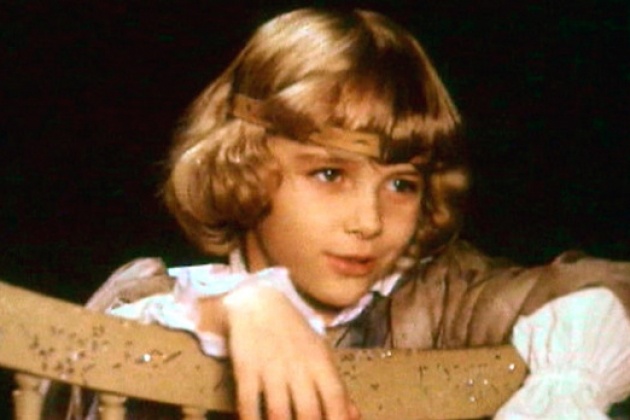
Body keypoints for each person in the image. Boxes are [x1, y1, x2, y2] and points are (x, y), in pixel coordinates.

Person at [57, 8, 630, 419]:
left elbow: (604, 290)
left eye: (401, 184)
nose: (369, 222)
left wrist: (567, 384)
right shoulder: (157, 298)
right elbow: (90, 356)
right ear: (244, 164)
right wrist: (236, 307)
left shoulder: (436, 300)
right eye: (330, 175)